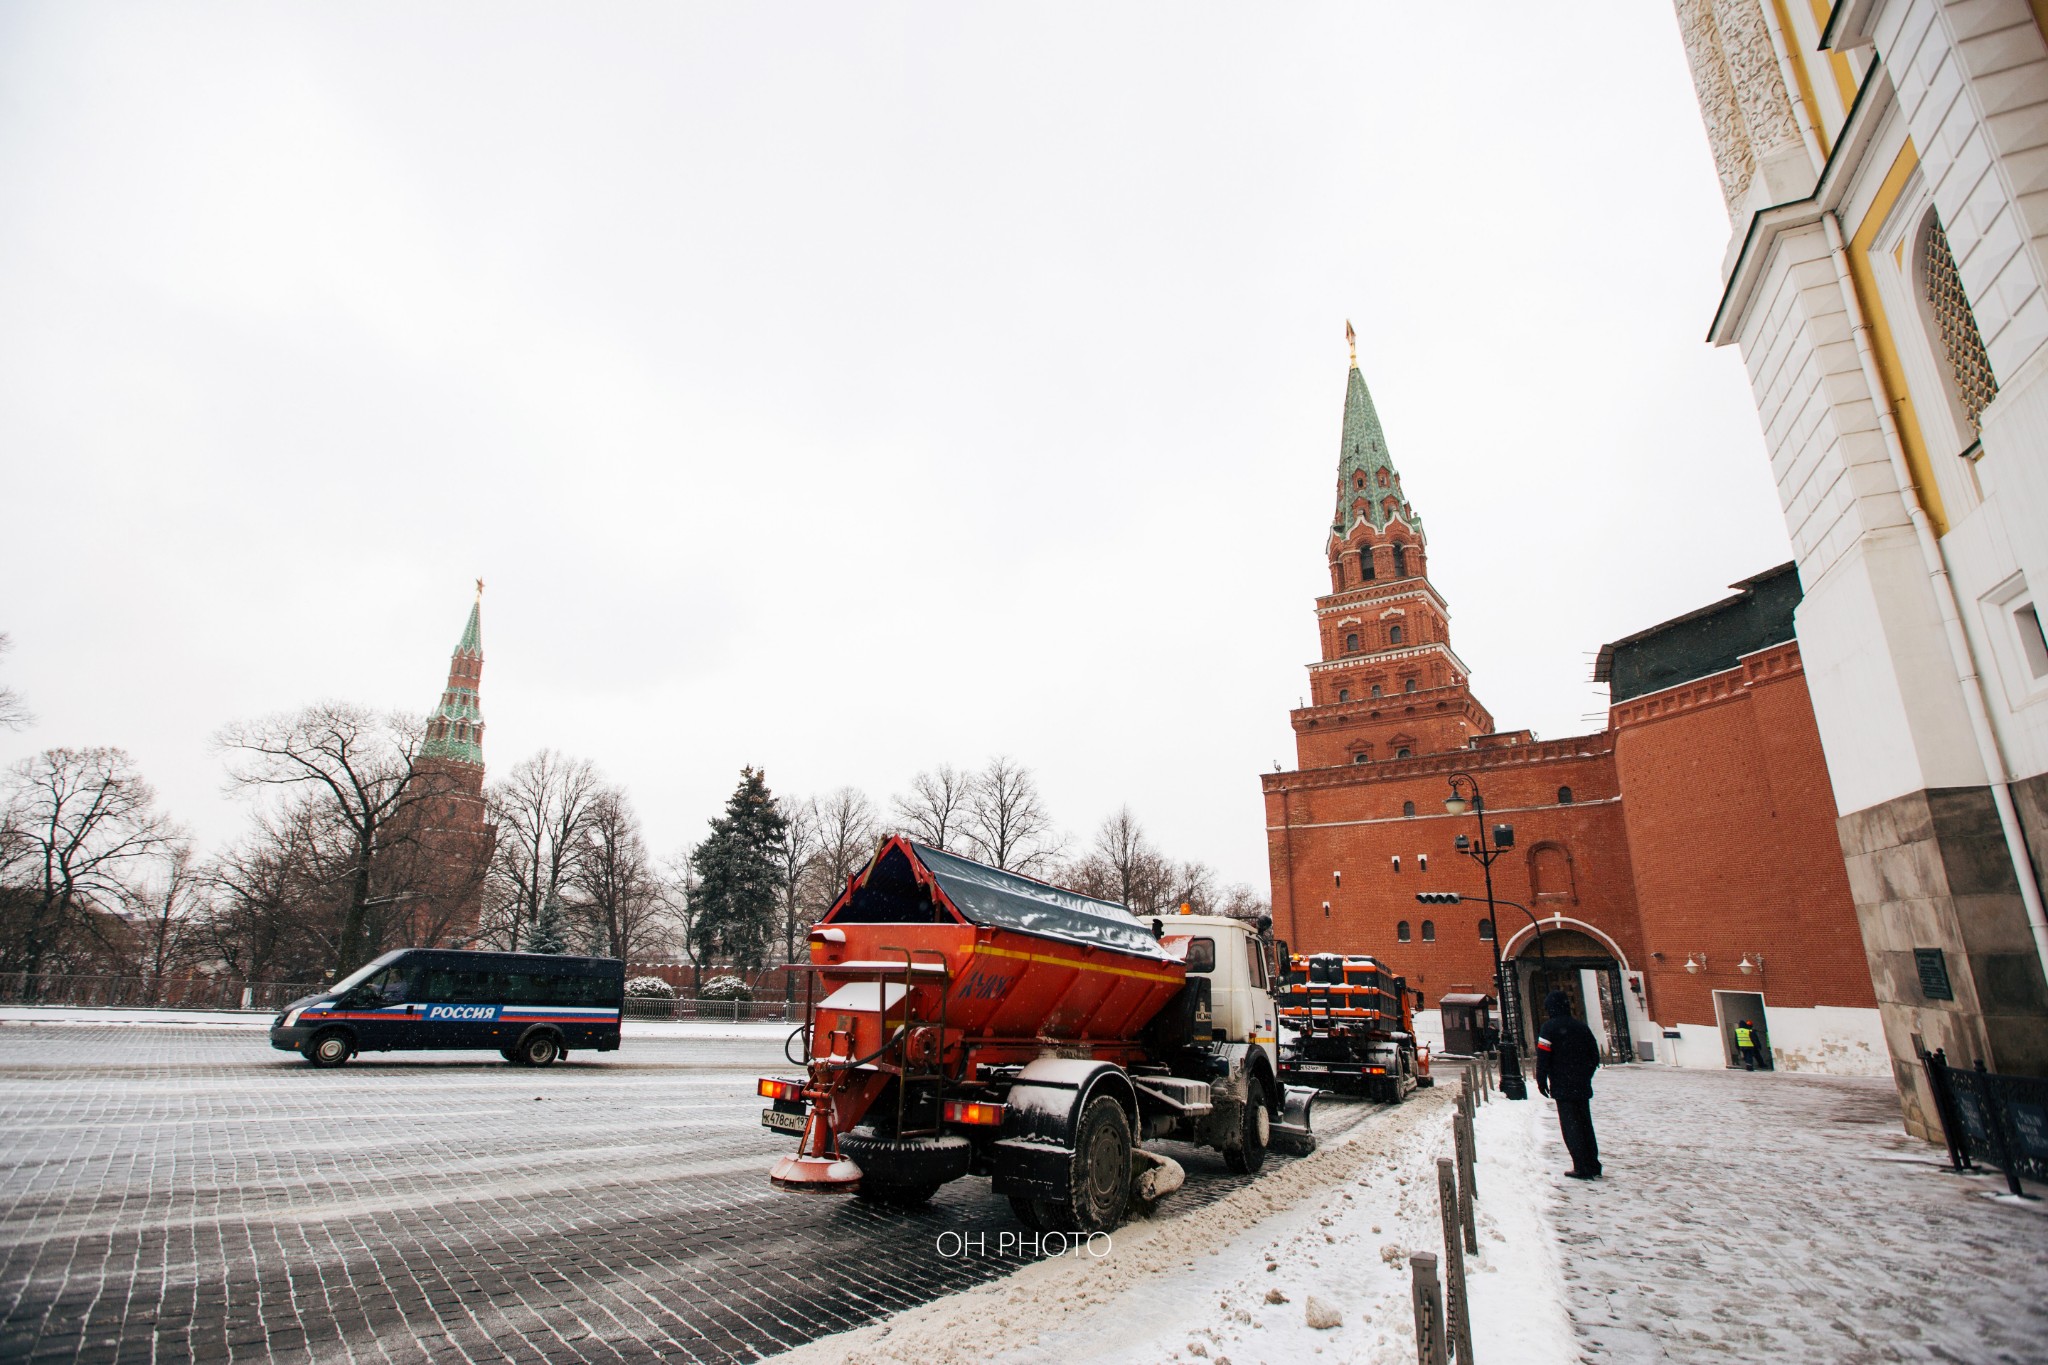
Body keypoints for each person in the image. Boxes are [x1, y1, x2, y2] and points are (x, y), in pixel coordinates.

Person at [1535, 989, 1602, 1180]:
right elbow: (1593, 1055)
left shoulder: (1548, 1028)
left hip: (1562, 1086)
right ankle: (1593, 1164)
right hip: (1581, 1085)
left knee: (1571, 1127)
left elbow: (1543, 1056)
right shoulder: (1581, 1027)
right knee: (1585, 1125)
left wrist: (1542, 1079)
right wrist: (1585, 1075)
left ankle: (1581, 1166)